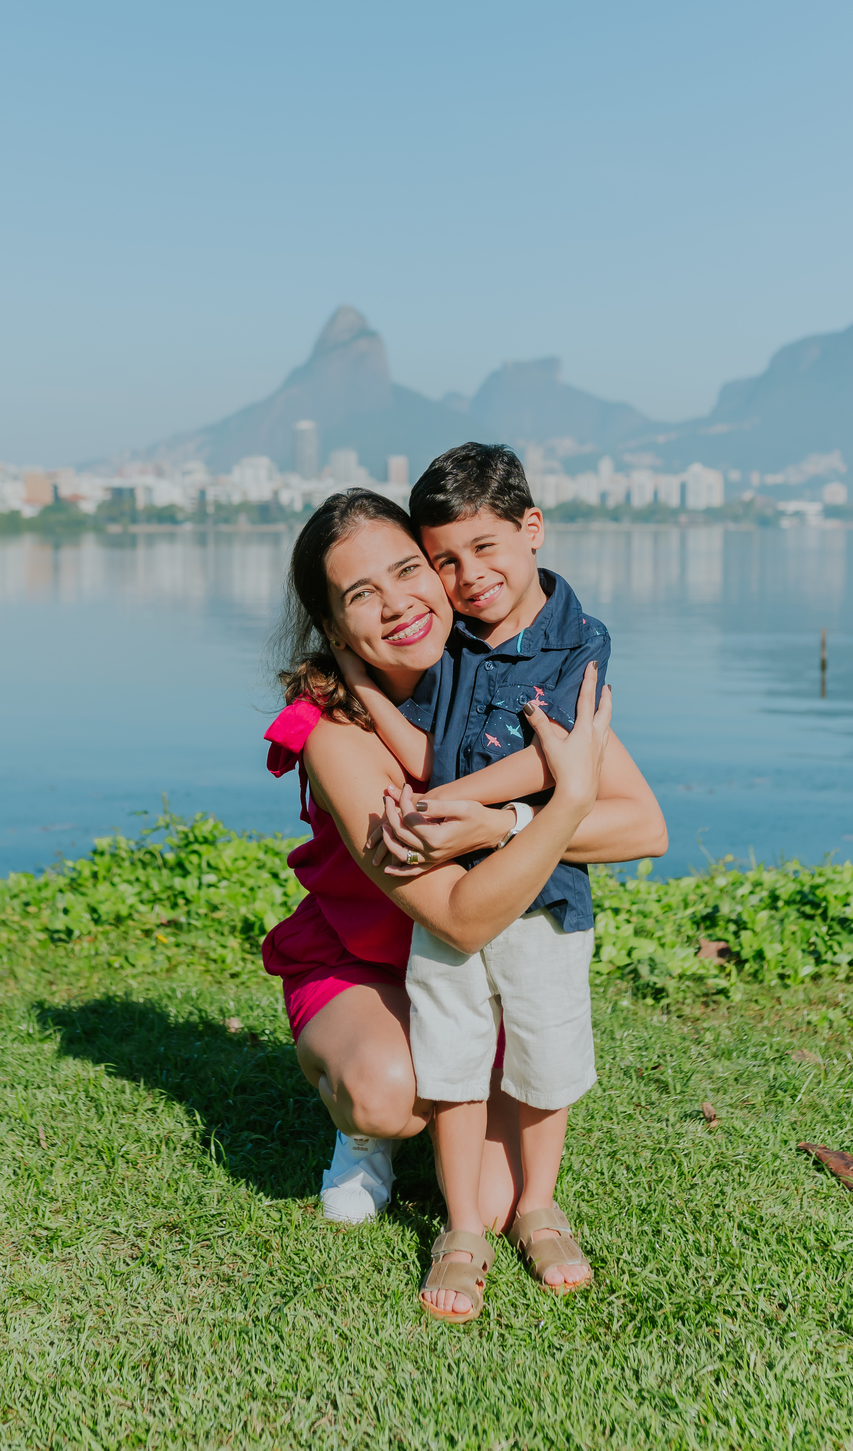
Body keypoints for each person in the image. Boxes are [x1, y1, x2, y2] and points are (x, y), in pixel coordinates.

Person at [261, 491, 666, 1285]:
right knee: (391, 1096)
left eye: (409, 570)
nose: (398, 604)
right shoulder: (336, 733)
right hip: (370, 959)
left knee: (505, 1199)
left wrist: (504, 824)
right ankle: (365, 1137)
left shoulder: (511, 671)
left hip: (479, 972)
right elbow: (458, 916)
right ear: (337, 629)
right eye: (360, 596)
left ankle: (464, 1096)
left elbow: (643, 827)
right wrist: (558, 804)